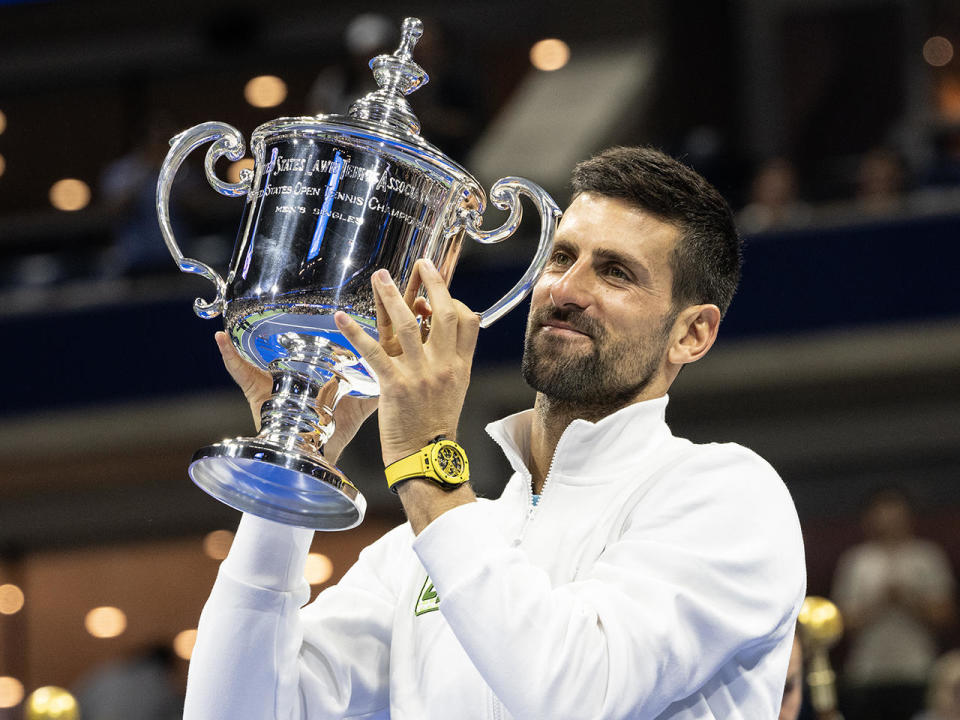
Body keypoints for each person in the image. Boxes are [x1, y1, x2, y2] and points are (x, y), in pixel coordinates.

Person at [183, 146, 807, 719]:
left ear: (691, 334)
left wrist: (427, 457)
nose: (566, 289)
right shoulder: (423, 548)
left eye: (615, 272)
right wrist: (290, 464)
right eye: (563, 257)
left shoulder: (727, 495)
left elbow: (570, 693)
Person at [832, 487, 956, 720]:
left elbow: (945, 615)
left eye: (896, 511)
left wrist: (908, 600)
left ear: (909, 515)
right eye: (882, 511)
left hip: (917, 669)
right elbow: (840, 623)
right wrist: (880, 602)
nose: (889, 519)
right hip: (867, 672)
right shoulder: (856, 561)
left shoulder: (927, 556)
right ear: (869, 517)